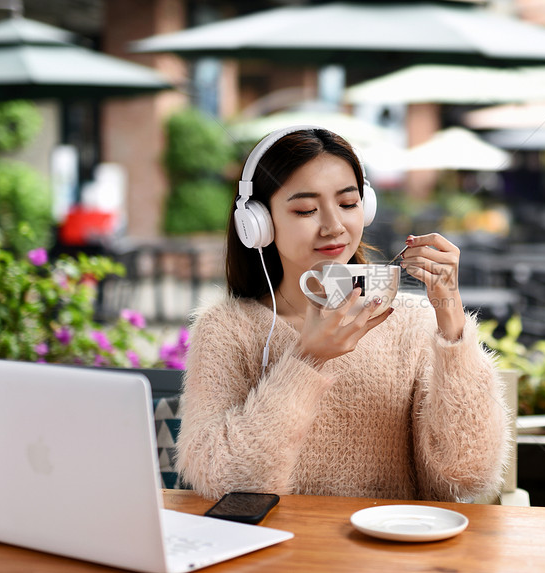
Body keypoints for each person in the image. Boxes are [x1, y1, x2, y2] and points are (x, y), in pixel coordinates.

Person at [176, 126, 508, 502]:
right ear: (258, 224)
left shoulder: (411, 324)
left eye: (349, 204)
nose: (334, 226)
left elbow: (470, 474)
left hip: (390, 552)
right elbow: (226, 481)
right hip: (281, 554)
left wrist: (451, 323)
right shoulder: (227, 329)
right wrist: (307, 359)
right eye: (305, 209)